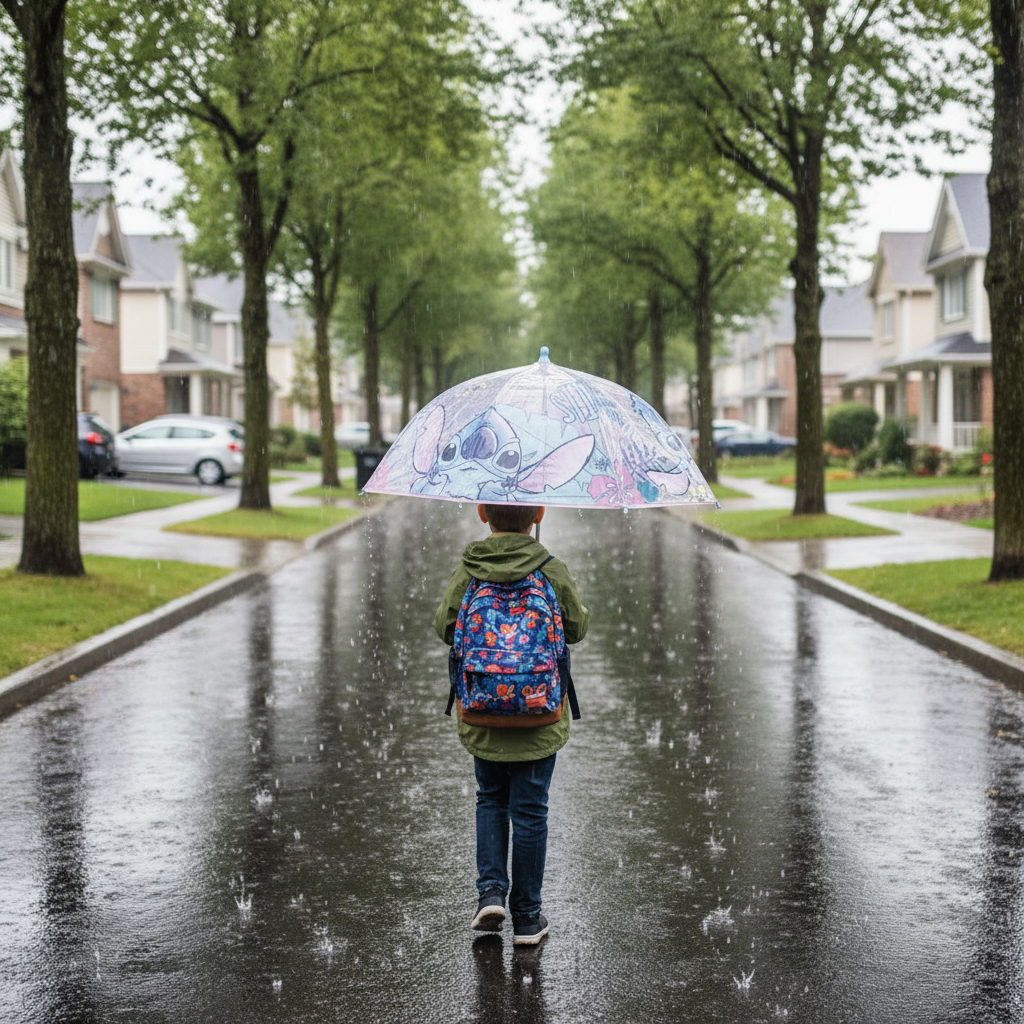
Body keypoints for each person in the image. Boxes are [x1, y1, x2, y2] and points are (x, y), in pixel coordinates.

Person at [434, 503, 589, 946]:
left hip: (483, 710)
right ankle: (527, 917)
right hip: (539, 714)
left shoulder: (470, 568)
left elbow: (445, 627)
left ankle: (490, 894)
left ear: (482, 513)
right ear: (538, 513)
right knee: (531, 810)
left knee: (491, 799)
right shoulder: (550, 568)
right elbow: (576, 628)